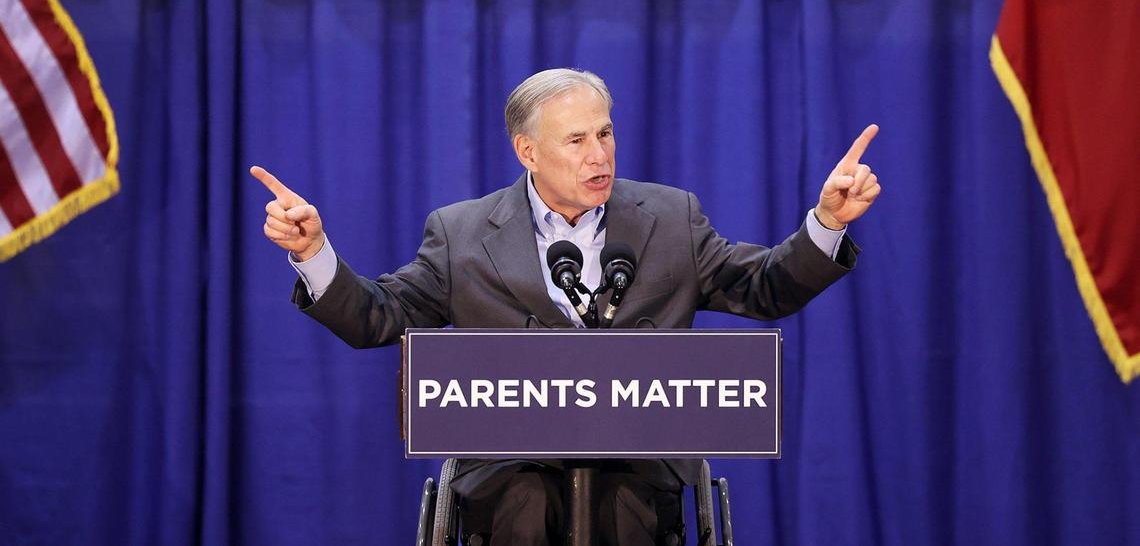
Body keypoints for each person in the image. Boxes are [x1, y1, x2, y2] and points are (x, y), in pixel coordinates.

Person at [252, 68, 880, 546]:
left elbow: (765, 287)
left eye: (604, 133)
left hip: (638, 459)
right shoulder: (461, 233)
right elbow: (379, 315)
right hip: (509, 463)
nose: (598, 155)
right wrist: (314, 253)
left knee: (624, 508)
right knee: (525, 505)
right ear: (527, 151)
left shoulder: (671, 218)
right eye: (576, 140)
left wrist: (827, 222)